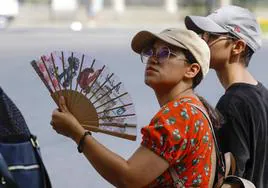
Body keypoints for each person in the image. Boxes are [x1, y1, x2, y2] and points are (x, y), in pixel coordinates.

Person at [50, 28, 220, 187]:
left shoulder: (179, 113)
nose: (153, 59)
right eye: (150, 52)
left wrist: (78, 134)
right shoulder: (194, 108)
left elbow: (129, 178)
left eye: (164, 53)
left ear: (191, 70)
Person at [185, 5, 268, 188]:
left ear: (237, 46)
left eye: (211, 36)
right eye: (202, 35)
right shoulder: (262, 95)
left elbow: (231, 180)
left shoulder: (232, 104)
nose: (202, 42)